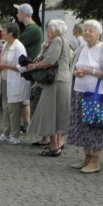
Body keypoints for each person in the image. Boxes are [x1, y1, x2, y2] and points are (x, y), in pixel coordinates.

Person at [67, 20, 103, 173]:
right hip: (79, 92)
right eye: (86, 30)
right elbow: (74, 67)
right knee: (81, 126)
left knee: (94, 127)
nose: (87, 32)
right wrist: (76, 72)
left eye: (91, 30)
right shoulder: (81, 48)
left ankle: (95, 161)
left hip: (97, 95)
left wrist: (89, 71)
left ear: (99, 34)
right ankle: (87, 157)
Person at [26, 19, 72, 157]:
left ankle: (54, 146)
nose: (48, 32)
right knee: (58, 113)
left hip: (55, 81)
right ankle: (57, 144)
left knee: (50, 112)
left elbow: (50, 61)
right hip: (63, 80)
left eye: (50, 30)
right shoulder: (65, 40)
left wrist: (33, 66)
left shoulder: (58, 41)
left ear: (56, 30)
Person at [0, 23, 29, 144]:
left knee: (13, 108)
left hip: (14, 80)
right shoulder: (5, 45)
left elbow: (23, 67)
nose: (2, 32)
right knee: (5, 107)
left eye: (4, 30)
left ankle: (15, 134)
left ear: (11, 33)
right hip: (5, 79)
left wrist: (5, 66)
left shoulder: (19, 47)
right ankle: (6, 131)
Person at [14, 2, 43, 130]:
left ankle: (27, 125)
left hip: (28, 67)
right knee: (25, 98)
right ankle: (26, 124)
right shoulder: (33, 28)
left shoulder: (32, 29)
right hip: (28, 66)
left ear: (24, 14)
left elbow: (16, 43)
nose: (17, 14)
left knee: (25, 99)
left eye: (19, 12)